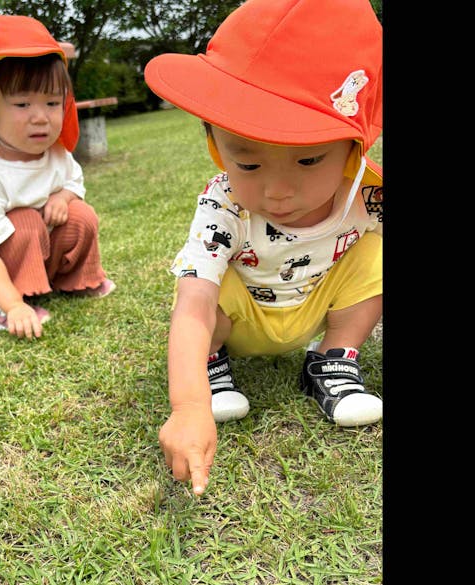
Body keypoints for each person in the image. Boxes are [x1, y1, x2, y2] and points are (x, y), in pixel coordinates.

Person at [143, 0, 384, 494]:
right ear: (216, 145)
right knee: (204, 278)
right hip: (243, 319)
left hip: (316, 308)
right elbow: (193, 305)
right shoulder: (224, 204)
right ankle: (212, 365)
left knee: (375, 257)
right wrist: (188, 407)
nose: (277, 191)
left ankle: (333, 359)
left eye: (308, 160)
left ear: (352, 150)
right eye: (248, 164)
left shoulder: (366, 194)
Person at [0, 15, 115, 340]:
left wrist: (62, 198)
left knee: (81, 213)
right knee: (24, 221)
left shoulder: (55, 152)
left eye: (53, 103)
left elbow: (73, 183)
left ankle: (72, 281)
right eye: (22, 103)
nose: (40, 117)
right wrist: (12, 305)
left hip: (40, 247)